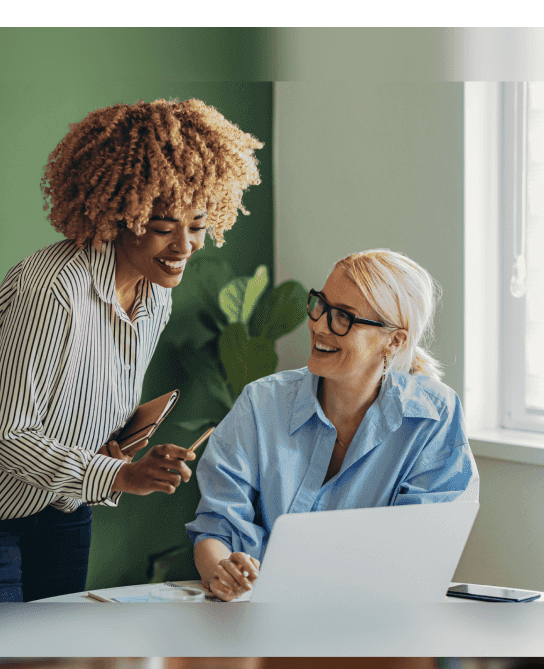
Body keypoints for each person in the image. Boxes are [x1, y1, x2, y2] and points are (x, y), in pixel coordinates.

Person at [0, 99, 262, 602]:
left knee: (57, 665)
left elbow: (79, 404)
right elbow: (4, 435)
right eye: (162, 227)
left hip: (61, 504)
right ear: (119, 215)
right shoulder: (52, 291)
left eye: (198, 224)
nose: (185, 245)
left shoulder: (155, 293)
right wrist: (120, 475)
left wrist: (120, 449)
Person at [187, 248, 478, 601]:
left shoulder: (433, 416)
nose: (319, 325)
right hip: (257, 616)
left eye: (344, 317)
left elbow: (418, 550)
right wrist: (220, 569)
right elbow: (216, 526)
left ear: (395, 340)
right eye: (320, 305)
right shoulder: (261, 403)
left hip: (374, 618)